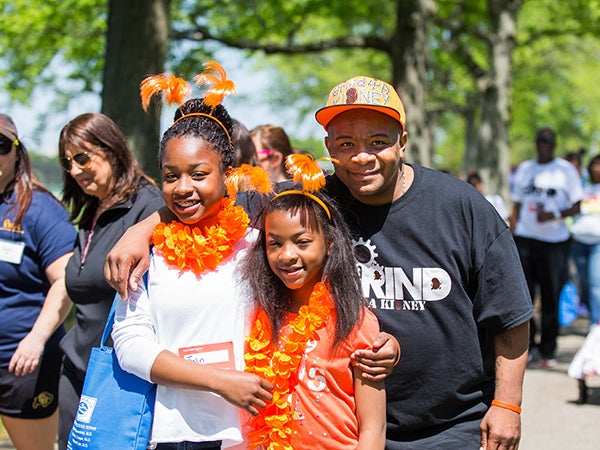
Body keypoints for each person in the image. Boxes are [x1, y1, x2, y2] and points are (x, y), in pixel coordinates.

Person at [106, 75, 532, 449]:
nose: (361, 157)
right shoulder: (311, 199)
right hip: (347, 425)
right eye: (346, 144)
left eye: (378, 142)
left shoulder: (461, 207)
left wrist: (507, 403)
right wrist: (142, 228)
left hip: (448, 426)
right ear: (329, 148)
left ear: (403, 140)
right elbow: (208, 192)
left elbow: (510, 313)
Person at [112, 63, 274, 449]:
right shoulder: (146, 254)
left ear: (226, 173)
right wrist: (220, 381)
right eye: (171, 176)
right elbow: (130, 345)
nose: (183, 188)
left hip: (249, 433)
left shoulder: (260, 247)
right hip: (170, 435)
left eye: (198, 174)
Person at [241, 158, 385, 449]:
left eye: (302, 242)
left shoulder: (356, 321)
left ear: (330, 243)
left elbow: (374, 427)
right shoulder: (255, 316)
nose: (287, 255)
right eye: (275, 243)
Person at [56, 113, 164, 449]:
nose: (75, 170)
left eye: (83, 157)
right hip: (75, 371)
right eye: (68, 161)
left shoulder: (149, 208)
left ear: (112, 150)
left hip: (122, 379)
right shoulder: (90, 213)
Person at [0, 113, 76, 450]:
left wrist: (36, 339)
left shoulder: (40, 209)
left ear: (18, 152)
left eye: (1, 145)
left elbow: (64, 281)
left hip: (22, 363)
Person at [510, 128, 583, 368]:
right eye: (539, 140)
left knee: (551, 295)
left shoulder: (566, 171)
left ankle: (548, 348)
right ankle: (529, 346)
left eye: (547, 141)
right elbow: (517, 206)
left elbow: (576, 206)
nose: (543, 144)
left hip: (555, 242)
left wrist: (553, 215)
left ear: (554, 144)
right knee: (524, 296)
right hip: (526, 239)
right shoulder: (525, 170)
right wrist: (510, 235)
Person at [570, 154, 600, 325]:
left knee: (596, 283)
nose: (597, 168)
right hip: (579, 241)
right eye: (595, 164)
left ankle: (596, 324)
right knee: (585, 284)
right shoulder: (582, 188)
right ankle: (591, 316)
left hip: (597, 242)